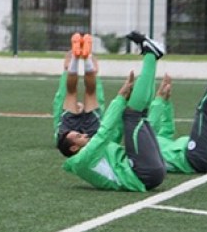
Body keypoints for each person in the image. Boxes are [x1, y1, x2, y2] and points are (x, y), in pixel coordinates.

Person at [59, 31, 168, 192]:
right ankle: (151, 54)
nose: (85, 134)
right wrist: (120, 98)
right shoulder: (82, 160)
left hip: (148, 172)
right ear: (74, 148)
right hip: (141, 174)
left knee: (139, 113)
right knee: (133, 115)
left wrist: (124, 99)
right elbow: (104, 132)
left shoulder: (94, 154)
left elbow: (113, 134)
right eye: (79, 136)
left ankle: (151, 55)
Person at [148, 40, 207, 174]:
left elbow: (167, 130)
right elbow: (149, 129)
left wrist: (166, 102)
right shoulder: (141, 148)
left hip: (204, 156)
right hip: (195, 156)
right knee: (205, 109)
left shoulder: (152, 141)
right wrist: (158, 99)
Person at [52, 32, 105, 146]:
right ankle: (78, 59)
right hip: (68, 134)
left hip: (83, 138)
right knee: (71, 92)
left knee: (90, 93)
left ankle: (85, 59)